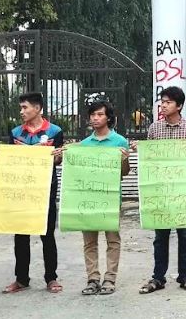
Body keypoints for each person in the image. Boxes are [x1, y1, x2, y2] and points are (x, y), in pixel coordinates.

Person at [0, 92, 65, 294]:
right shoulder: (16, 133)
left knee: (47, 235)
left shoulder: (55, 131)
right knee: (20, 235)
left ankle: (51, 278)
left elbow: (58, 160)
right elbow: (9, 160)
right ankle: (21, 279)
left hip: (45, 190)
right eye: (21, 108)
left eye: (25, 107)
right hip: (21, 192)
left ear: (38, 108)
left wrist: (58, 156)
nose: (21, 111)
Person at [141, 86, 186, 295]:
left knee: (185, 235)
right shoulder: (154, 129)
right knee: (160, 236)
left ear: (179, 105)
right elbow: (149, 159)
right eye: (162, 102)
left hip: (182, 191)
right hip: (160, 190)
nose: (163, 105)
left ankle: (185, 276)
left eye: (168, 102)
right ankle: (158, 277)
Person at [77, 101, 130, 296]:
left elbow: (124, 172)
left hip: (110, 198)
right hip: (89, 198)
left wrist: (124, 159)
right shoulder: (83, 145)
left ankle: (110, 279)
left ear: (108, 118)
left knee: (112, 240)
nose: (95, 118)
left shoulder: (119, 142)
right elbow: (78, 172)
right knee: (89, 242)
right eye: (93, 115)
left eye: (99, 114)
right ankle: (92, 279)